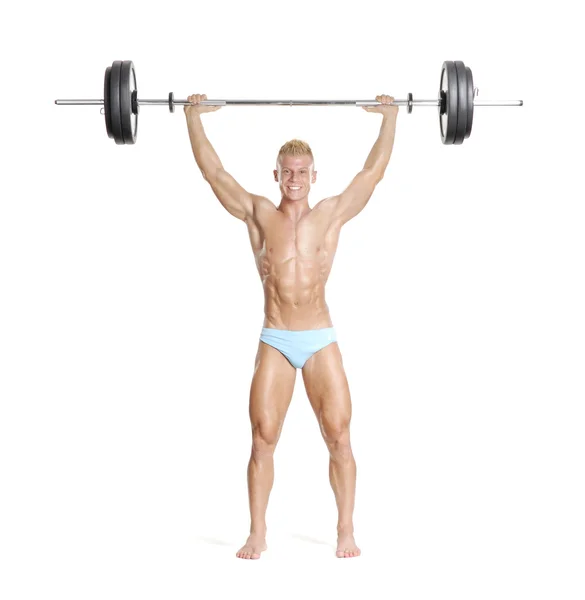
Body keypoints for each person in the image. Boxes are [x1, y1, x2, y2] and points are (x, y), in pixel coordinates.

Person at [184, 94, 398, 559]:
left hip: (320, 336)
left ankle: (346, 530)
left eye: (303, 171)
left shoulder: (331, 215)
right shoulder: (260, 214)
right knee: (262, 437)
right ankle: (257, 533)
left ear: (314, 175)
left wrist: (390, 117)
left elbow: (372, 174)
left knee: (340, 436)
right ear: (276, 174)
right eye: (288, 171)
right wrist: (192, 117)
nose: (295, 179)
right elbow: (214, 174)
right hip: (276, 337)